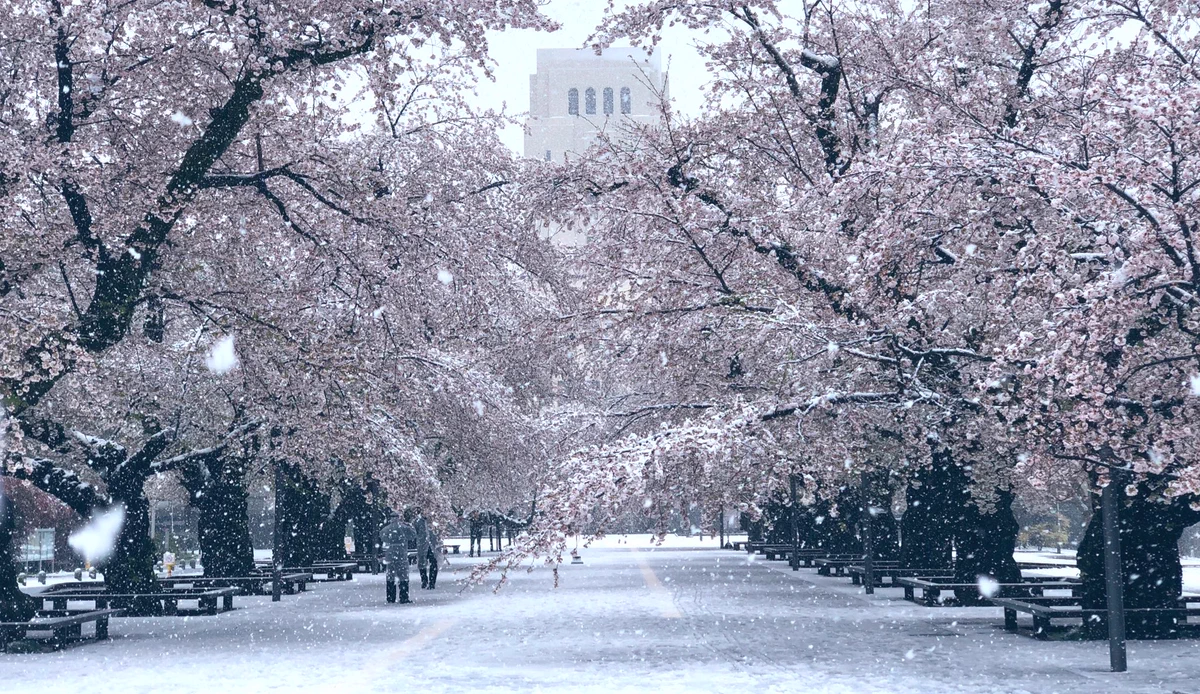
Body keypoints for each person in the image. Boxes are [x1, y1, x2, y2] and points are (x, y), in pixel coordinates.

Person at [379, 512, 417, 604]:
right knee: (403, 575)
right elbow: (413, 535)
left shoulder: (386, 529)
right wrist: (410, 526)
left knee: (390, 574)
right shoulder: (404, 527)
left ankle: (390, 597)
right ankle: (403, 596)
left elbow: (381, 536)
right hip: (401, 552)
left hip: (390, 553)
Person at [413, 513, 440, 590]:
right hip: (422, 545)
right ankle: (424, 580)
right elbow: (414, 533)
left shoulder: (434, 520)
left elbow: (438, 533)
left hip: (432, 546)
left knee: (433, 563)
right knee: (422, 563)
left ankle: (432, 582)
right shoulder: (417, 521)